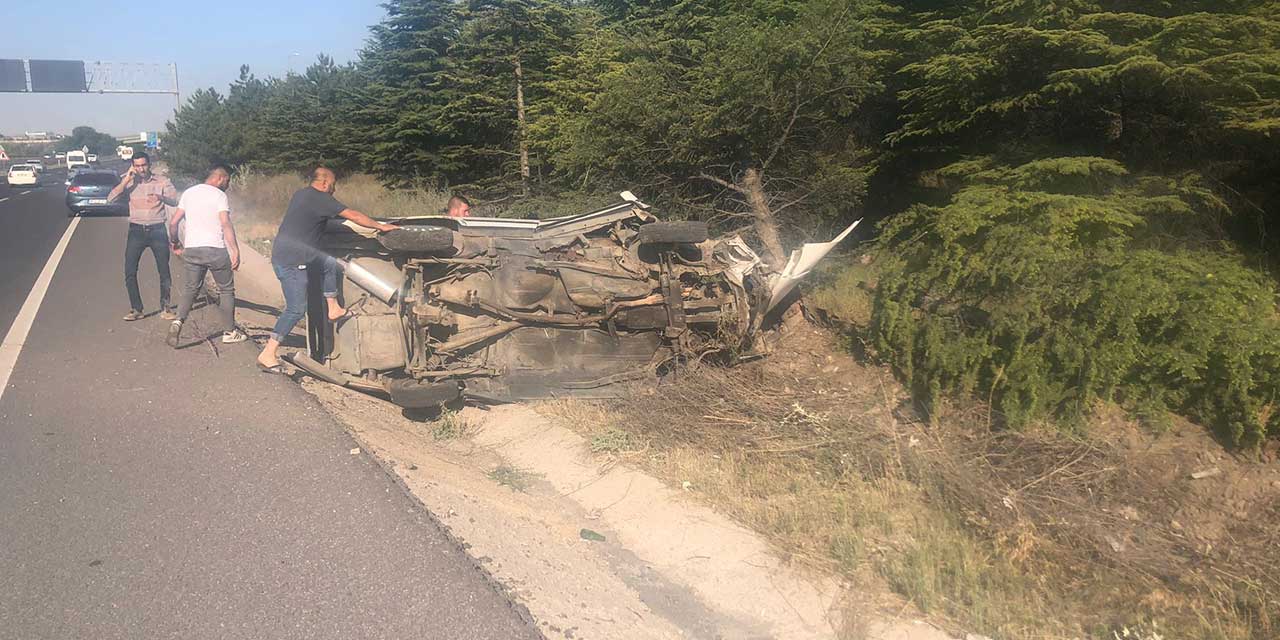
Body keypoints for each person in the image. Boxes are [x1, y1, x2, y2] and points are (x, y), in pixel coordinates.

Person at [256, 167, 398, 373]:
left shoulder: (301, 194)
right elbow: (353, 215)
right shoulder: (321, 199)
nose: (334, 188)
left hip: (297, 253)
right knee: (296, 309)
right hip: (291, 260)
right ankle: (268, 353)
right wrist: (381, 227)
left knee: (330, 263)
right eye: (333, 184)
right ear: (324, 183)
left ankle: (333, 307)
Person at [165, 165, 247, 348]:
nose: (227, 184)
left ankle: (178, 322)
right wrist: (235, 250)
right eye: (227, 181)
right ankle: (229, 332)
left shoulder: (189, 193)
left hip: (193, 249)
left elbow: (174, 222)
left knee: (190, 289)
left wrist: (174, 241)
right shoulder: (219, 196)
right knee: (226, 290)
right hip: (215, 250)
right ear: (220, 178)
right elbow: (225, 223)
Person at [108, 152, 179, 321]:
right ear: (133, 166)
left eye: (144, 165)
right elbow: (110, 198)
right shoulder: (130, 182)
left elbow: (175, 201)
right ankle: (136, 308)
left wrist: (161, 197)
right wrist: (126, 181)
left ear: (149, 164)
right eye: (137, 165)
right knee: (130, 270)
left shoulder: (162, 181)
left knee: (163, 270)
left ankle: (166, 307)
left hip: (157, 230)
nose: (141, 169)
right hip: (136, 231)